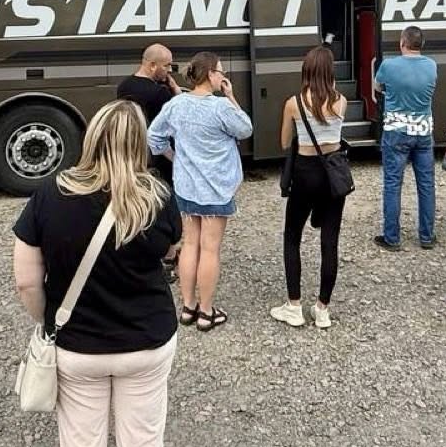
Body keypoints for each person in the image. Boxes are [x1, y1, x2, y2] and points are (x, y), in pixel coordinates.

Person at [13, 100, 181, 447]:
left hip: (77, 345)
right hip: (147, 340)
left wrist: (50, 320)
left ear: (91, 137)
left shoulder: (49, 194)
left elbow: (26, 282)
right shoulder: (158, 197)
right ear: (139, 143)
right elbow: (171, 252)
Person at [147, 52, 253, 332]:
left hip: (186, 186)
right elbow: (245, 129)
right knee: (210, 249)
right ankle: (206, 312)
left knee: (190, 244)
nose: (223, 76)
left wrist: (174, 157)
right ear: (211, 74)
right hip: (216, 188)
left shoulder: (176, 104)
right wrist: (231, 96)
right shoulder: (221, 107)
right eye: (221, 72)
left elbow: (154, 135)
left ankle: (188, 307)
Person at [271, 47, 349, 330]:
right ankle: (322, 309)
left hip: (305, 172)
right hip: (334, 173)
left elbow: (284, 142)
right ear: (330, 72)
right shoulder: (341, 101)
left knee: (292, 236)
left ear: (306, 71)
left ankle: (294, 306)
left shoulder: (293, 103)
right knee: (330, 242)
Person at [373, 25, 438, 250]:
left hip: (396, 131)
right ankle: (427, 237)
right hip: (423, 132)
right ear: (422, 44)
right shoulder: (431, 66)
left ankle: (392, 238)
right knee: (426, 185)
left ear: (402, 42)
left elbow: (377, 87)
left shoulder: (389, 65)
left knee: (393, 184)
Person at [116, 44, 181, 185]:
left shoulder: (123, 86)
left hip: (131, 155)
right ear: (152, 65)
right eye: (166, 66)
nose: (170, 70)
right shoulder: (159, 93)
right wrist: (176, 91)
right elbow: (178, 122)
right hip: (159, 161)